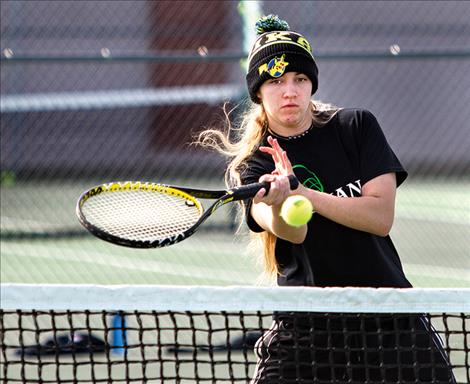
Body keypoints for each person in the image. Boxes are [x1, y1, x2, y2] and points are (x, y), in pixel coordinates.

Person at [198, 14, 455, 384]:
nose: (290, 91)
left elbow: (380, 217)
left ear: (312, 84)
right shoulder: (254, 165)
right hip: (306, 324)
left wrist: (304, 193)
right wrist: (279, 202)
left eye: (300, 79)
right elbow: (291, 233)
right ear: (258, 92)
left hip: (389, 316)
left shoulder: (356, 127)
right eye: (276, 82)